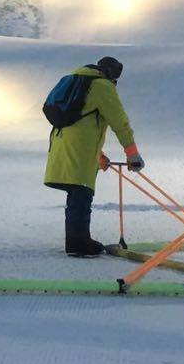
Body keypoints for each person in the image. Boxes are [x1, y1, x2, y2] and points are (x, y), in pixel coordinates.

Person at [42, 56, 143, 256]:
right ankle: (78, 243)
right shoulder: (102, 87)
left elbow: (82, 124)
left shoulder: (78, 80)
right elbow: (119, 122)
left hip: (61, 142)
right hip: (80, 147)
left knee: (76, 193)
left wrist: (98, 154)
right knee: (81, 193)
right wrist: (132, 154)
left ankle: (76, 240)